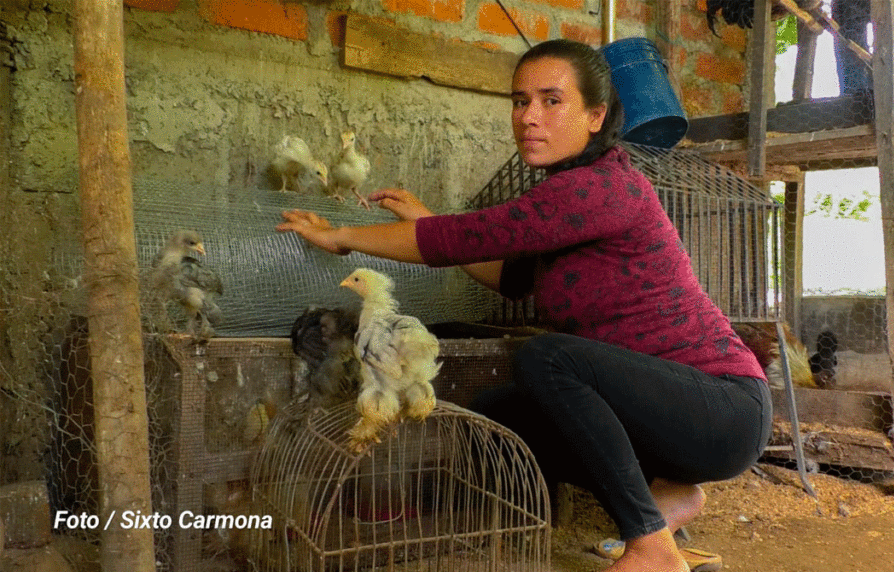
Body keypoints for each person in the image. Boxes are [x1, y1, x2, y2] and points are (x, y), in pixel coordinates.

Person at [276, 38, 771, 572]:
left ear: (595, 115)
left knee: (547, 357)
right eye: (519, 101)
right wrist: (423, 222)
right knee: (501, 414)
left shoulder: (597, 187)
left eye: (551, 101)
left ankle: (650, 546)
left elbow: (471, 237)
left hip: (722, 409)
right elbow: (508, 275)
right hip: (668, 413)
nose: (529, 117)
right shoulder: (566, 196)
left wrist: (344, 237)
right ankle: (664, 500)